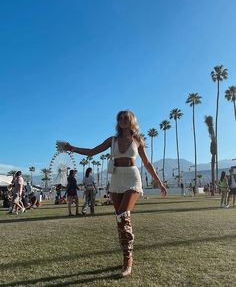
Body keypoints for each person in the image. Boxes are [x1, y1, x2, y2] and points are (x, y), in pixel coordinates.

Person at [56, 110, 167, 277]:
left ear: (132, 121)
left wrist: (159, 182)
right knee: (120, 219)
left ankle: (128, 262)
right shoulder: (112, 140)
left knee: (123, 215)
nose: (123, 120)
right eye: (120, 118)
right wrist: (72, 148)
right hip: (116, 179)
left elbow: (147, 163)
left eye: (126, 118)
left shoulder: (138, 141)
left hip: (132, 178)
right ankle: (126, 256)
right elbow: (92, 151)